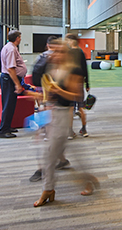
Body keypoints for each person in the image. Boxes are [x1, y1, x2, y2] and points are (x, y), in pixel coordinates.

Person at [34, 40, 86, 207]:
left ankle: (48, 189)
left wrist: (58, 90)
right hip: (51, 115)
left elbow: (75, 96)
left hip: (63, 117)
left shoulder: (73, 70)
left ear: (65, 53)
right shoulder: (52, 70)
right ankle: (89, 181)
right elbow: (49, 97)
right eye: (52, 51)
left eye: (58, 52)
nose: (53, 55)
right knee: (68, 155)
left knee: (49, 157)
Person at [0, 30, 39, 138]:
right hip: (9, 79)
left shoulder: (10, 47)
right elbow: (11, 68)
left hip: (10, 79)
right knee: (8, 105)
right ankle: (3, 130)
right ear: (17, 38)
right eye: (20, 37)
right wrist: (17, 84)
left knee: (11, 104)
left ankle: (8, 126)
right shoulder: (11, 49)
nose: (20, 39)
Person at [64, 33, 90, 138]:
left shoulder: (67, 53)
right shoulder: (80, 52)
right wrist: (87, 83)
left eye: (67, 40)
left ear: (71, 41)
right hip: (79, 83)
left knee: (70, 108)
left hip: (69, 84)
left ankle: (70, 132)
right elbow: (85, 69)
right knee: (81, 108)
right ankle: (84, 130)